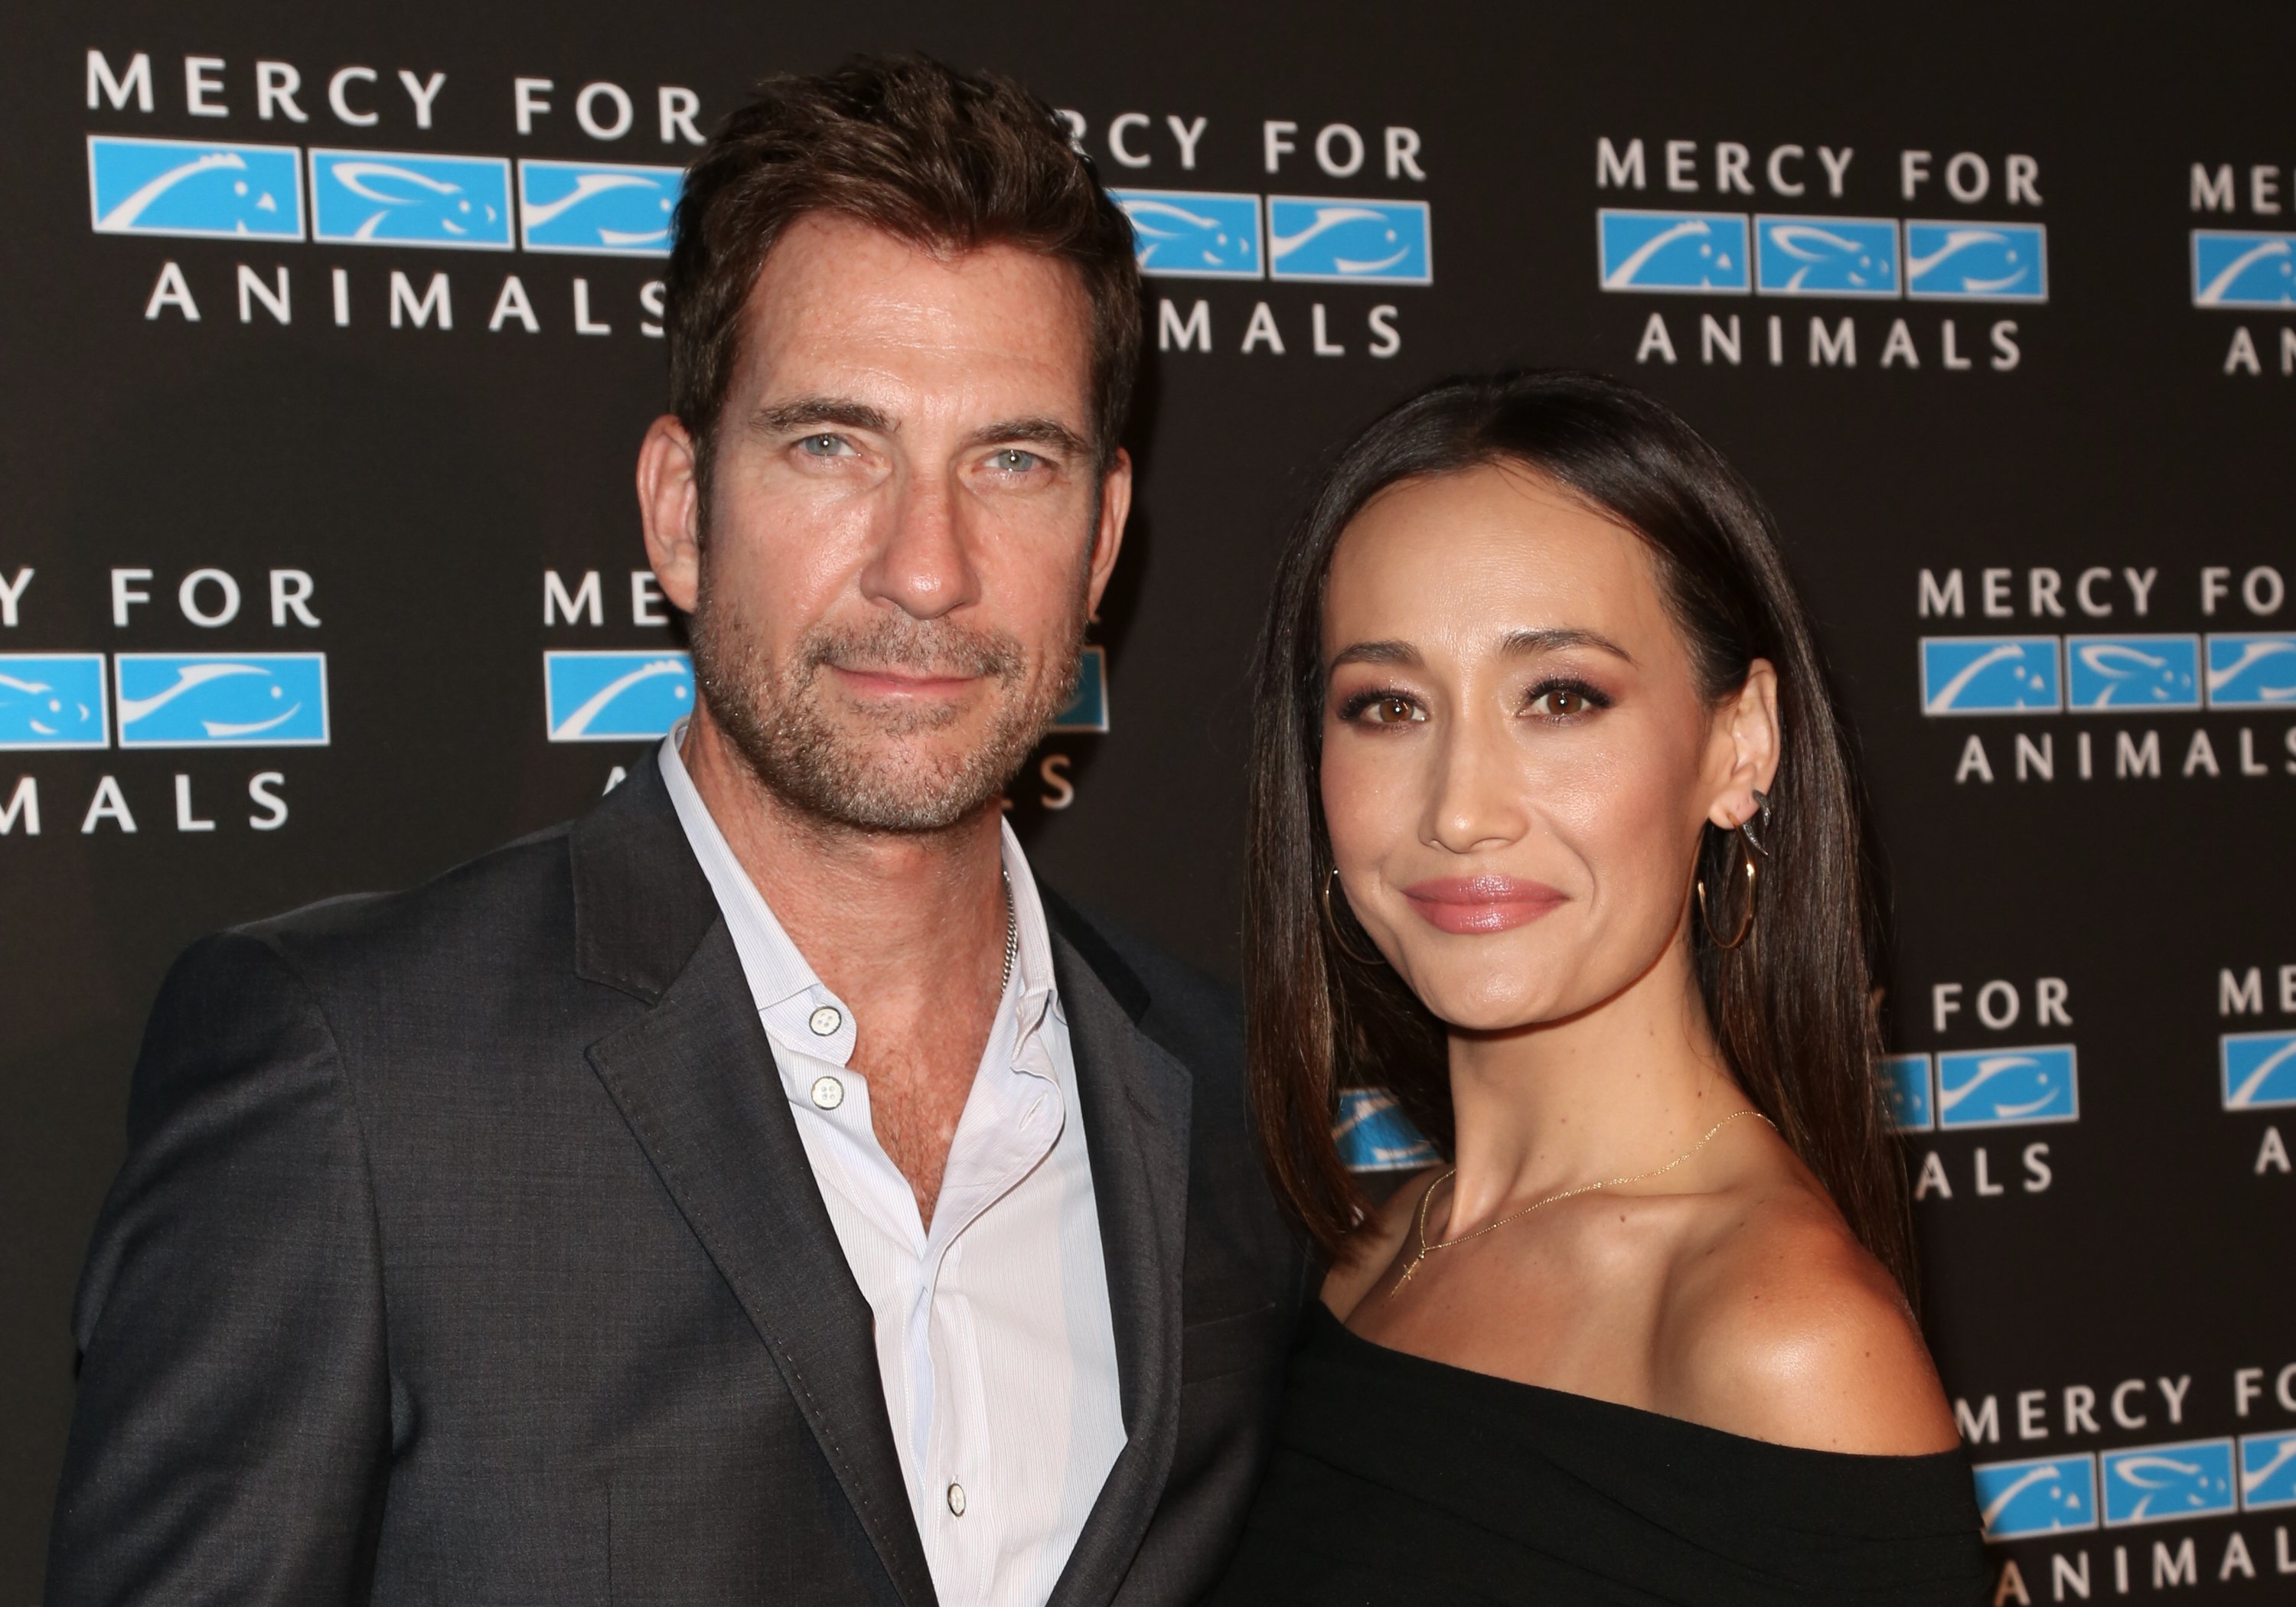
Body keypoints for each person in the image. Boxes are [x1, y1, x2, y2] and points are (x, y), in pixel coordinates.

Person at [47, 57, 1303, 1607]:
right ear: (679, 510)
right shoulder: (355, 1090)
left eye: (1012, 461)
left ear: (1102, 538)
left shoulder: (1230, 1101)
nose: (927, 568)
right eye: (832, 444)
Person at [1209, 370, 1987, 1605]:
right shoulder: (1367, 1254)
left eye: (1561, 698)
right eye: (1388, 706)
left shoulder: (1780, 1339)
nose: (1462, 807)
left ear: (1741, 746)